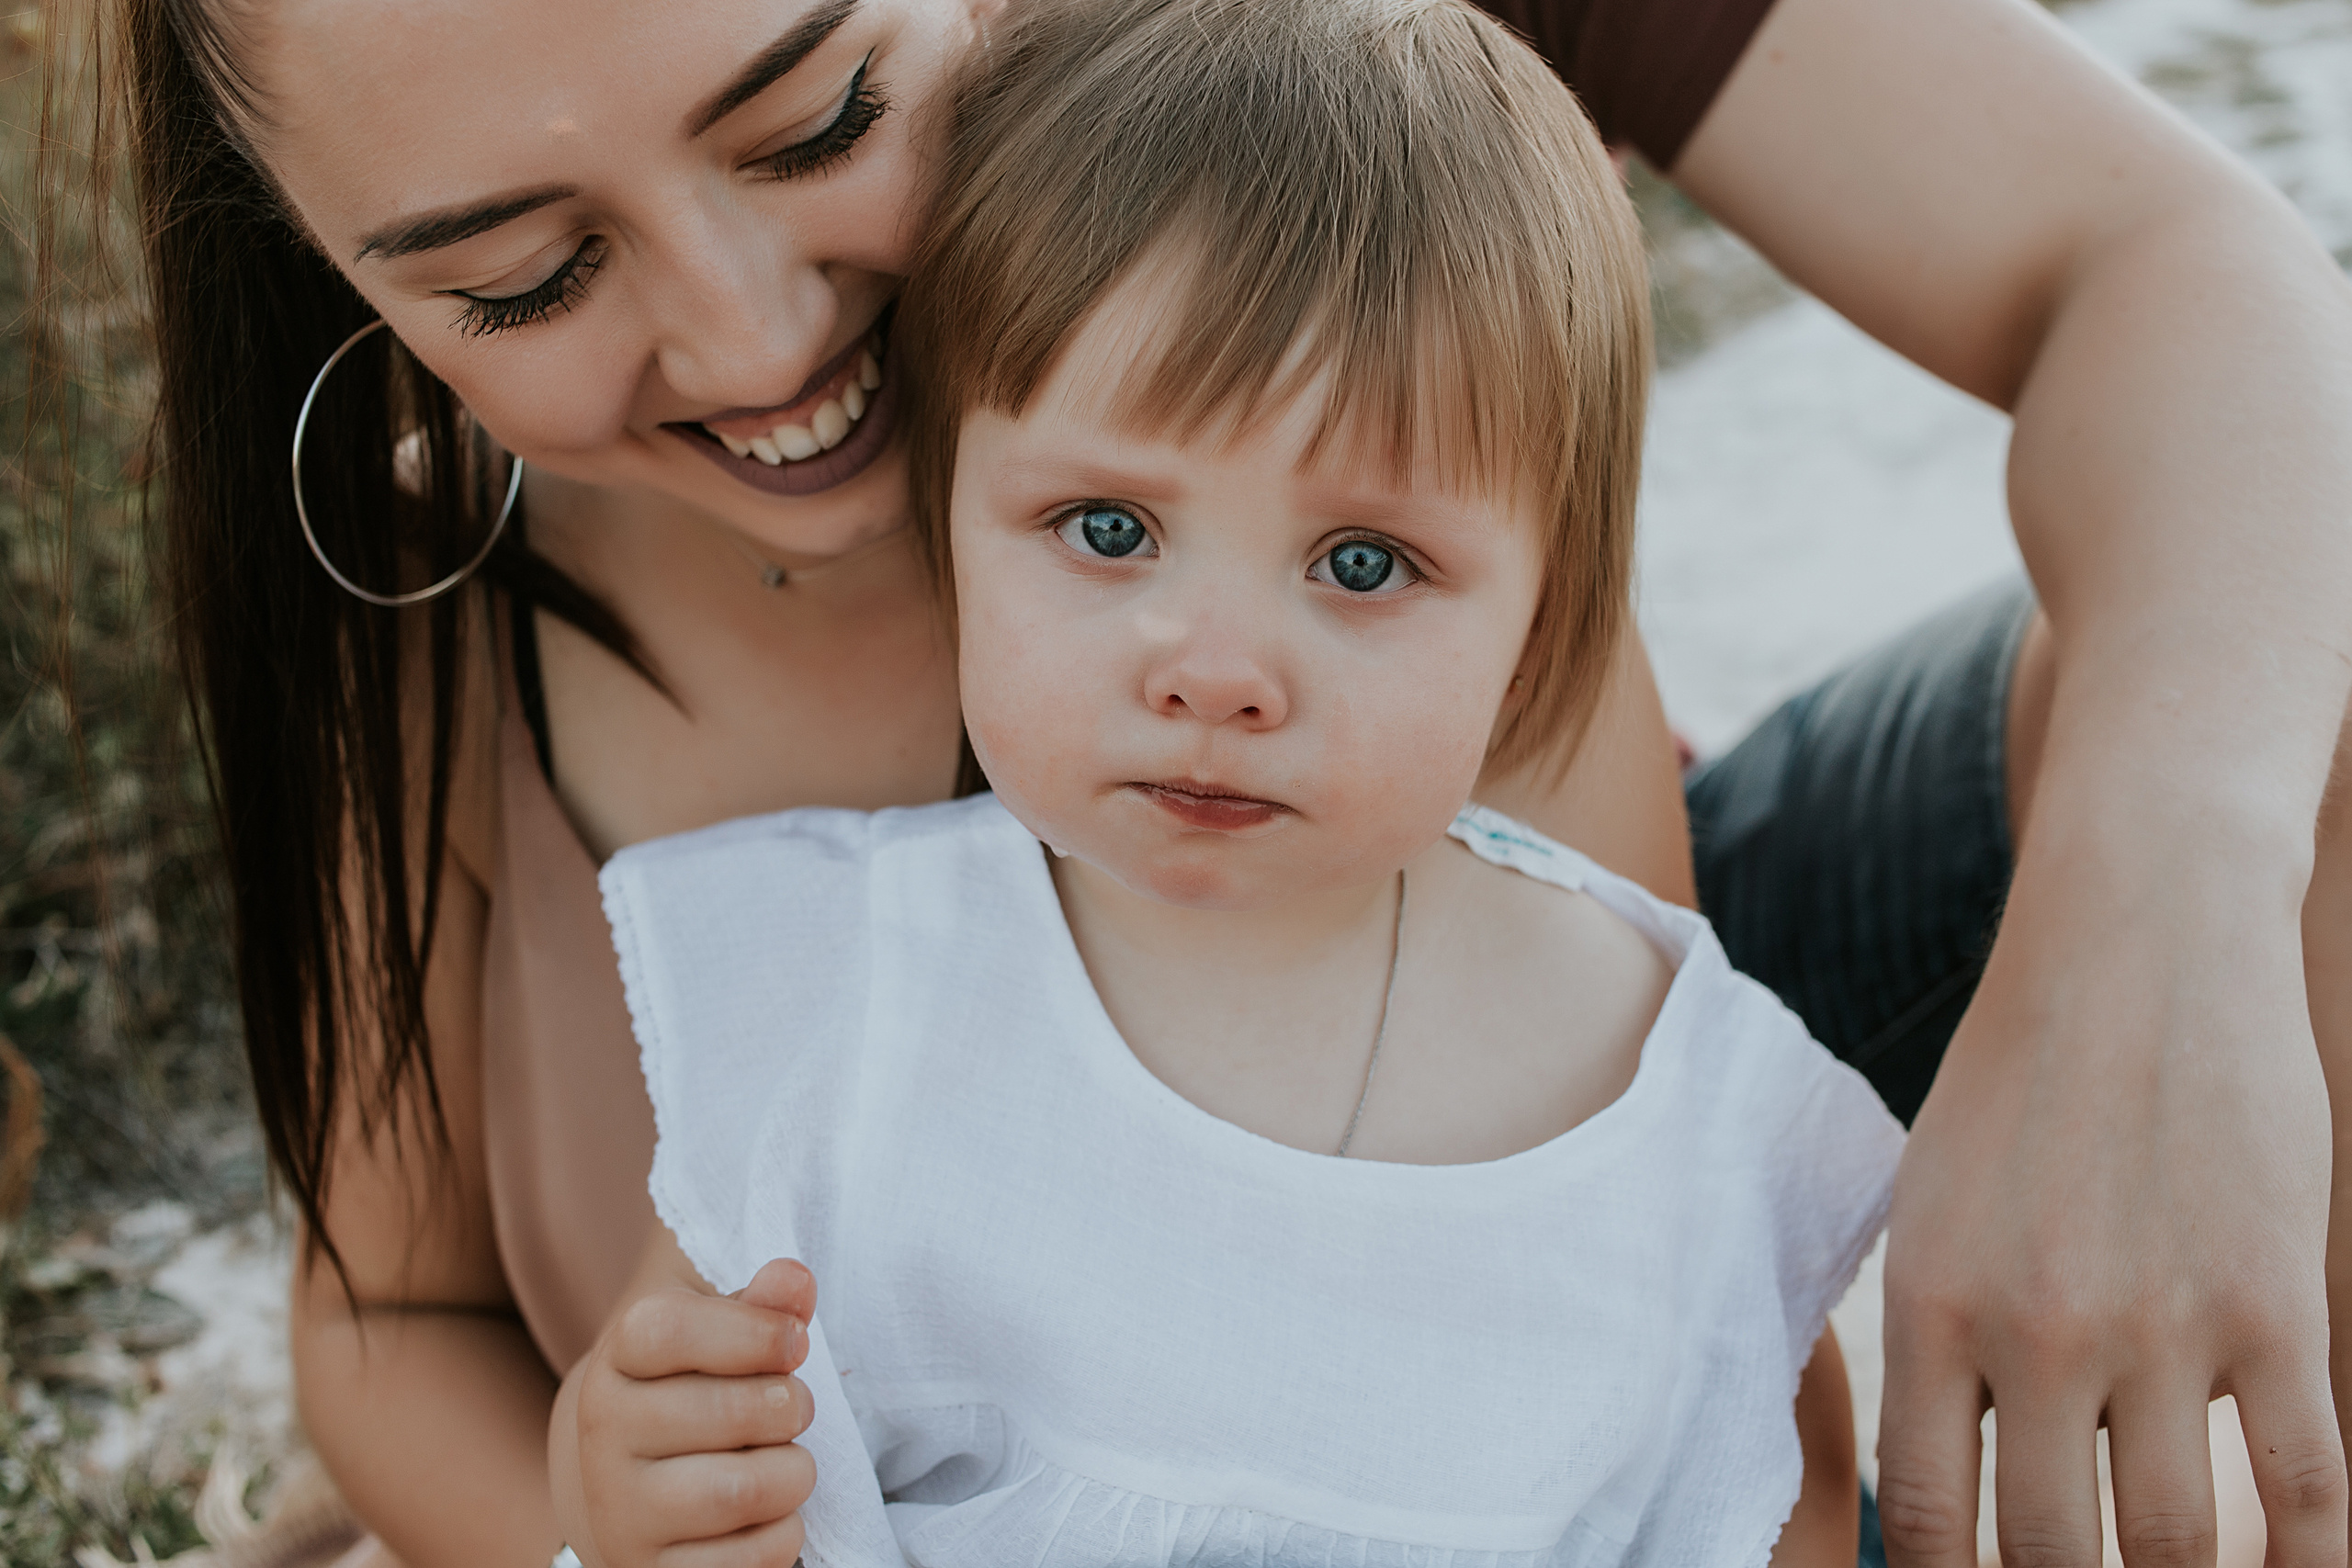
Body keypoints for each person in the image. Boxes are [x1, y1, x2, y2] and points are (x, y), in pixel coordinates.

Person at [85, 0, 2352, 1558]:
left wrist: (2156, 920)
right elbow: (386, 1321)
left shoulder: (1327, 77)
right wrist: (611, 1521)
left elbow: (2170, 264)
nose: (760, 332)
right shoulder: (420, 604)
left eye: (814, 121)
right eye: (525, 275)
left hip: (1575, 1078)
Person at [558, 5, 1904, 1561]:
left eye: (1361, 562)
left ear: (1538, 643)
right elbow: (673, 1428)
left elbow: (1780, 1509)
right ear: (952, 537)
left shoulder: (1669, 1096)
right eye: (1109, 531)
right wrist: (636, 1497)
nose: (1216, 669)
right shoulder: (843, 992)